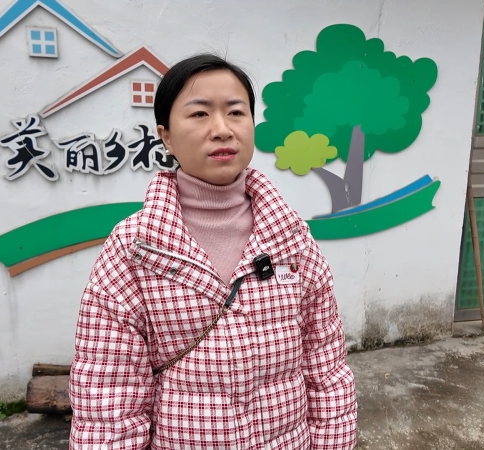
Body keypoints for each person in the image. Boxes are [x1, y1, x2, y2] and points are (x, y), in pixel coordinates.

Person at [68, 53, 358, 450]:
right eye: (200, 114)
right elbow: (109, 399)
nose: (222, 130)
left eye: (236, 112)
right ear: (166, 136)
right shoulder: (134, 249)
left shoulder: (292, 239)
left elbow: (326, 367)